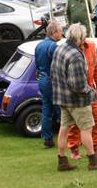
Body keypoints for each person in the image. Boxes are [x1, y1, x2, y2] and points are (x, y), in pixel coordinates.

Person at [52, 23, 97, 171]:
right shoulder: (76, 56)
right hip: (77, 101)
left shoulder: (60, 48)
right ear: (80, 37)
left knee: (64, 128)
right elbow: (78, 85)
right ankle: (93, 161)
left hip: (62, 99)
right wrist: (92, 92)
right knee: (86, 129)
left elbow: (54, 73)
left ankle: (62, 161)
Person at [67, 37, 97, 159]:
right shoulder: (69, 49)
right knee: (75, 121)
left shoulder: (92, 47)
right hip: (75, 91)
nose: (81, 42)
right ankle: (74, 148)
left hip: (91, 89)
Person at [34, 19, 62, 148]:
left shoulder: (39, 45)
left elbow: (37, 65)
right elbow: (58, 66)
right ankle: (68, 138)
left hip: (42, 80)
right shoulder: (53, 46)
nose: (61, 34)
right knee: (61, 110)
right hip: (52, 81)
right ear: (54, 32)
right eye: (60, 31)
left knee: (46, 110)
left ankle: (47, 139)